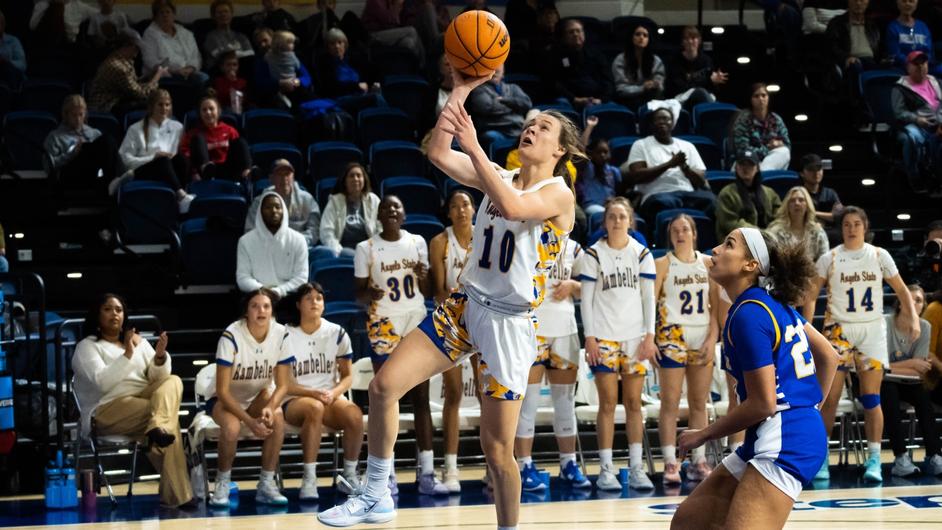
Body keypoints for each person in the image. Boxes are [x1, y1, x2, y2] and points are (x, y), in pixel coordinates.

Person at [317, 70, 579, 529]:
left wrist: (474, 146)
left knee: (498, 452)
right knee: (383, 387)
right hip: (466, 306)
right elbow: (437, 152)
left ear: (559, 150)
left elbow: (515, 207)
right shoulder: (499, 175)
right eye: (529, 124)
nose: (531, 129)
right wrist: (461, 89)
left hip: (510, 325)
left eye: (543, 128)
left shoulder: (558, 193)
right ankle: (376, 494)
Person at [670, 228, 839, 530]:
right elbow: (829, 356)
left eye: (728, 244)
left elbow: (763, 404)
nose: (716, 249)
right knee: (689, 523)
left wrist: (703, 434)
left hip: (786, 439)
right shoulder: (771, 305)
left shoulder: (749, 314)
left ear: (751, 265)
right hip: (772, 433)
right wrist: (811, 411)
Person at [804, 206, 921, 483]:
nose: (852, 228)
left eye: (857, 223)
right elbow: (810, 295)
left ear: (865, 227)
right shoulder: (830, 258)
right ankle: (822, 458)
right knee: (829, 398)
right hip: (838, 330)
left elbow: (902, 289)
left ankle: (875, 458)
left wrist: (914, 318)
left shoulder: (879, 255)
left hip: (871, 331)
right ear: (841, 228)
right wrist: (806, 329)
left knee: (871, 398)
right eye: (847, 224)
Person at [354, 194, 447, 496]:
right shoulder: (366, 248)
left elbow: (428, 290)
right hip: (383, 323)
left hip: (414, 320)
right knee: (385, 398)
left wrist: (424, 278)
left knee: (421, 398)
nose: (392, 210)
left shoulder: (417, 242)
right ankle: (386, 475)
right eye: (386, 207)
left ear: (404, 214)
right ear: (379, 216)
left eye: (397, 206)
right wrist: (370, 294)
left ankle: (427, 472)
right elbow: (358, 295)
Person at [71, 293, 195, 508]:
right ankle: (177, 495)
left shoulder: (139, 342)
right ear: (97, 315)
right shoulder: (87, 347)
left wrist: (159, 357)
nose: (114, 314)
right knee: (168, 420)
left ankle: (157, 427)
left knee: (173, 381)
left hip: (143, 400)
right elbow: (102, 383)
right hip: (106, 409)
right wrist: (127, 353)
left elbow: (157, 378)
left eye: (118, 310)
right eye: (107, 309)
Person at [579, 197, 657, 491]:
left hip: (635, 338)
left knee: (635, 403)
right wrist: (589, 338)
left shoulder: (642, 253)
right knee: (608, 403)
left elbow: (649, 298)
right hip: (604, 337)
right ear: (605, 222)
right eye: (611, 216)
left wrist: (649, 335)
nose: (616, 221)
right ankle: (606, 469)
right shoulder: (594, 254)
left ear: (630, 221)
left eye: (622, 216)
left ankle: (636, 467)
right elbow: (586, 299)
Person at [271, 282, 365, 500]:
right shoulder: (285, 334)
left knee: (354, 414)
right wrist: (313, 393)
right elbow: (284, 384)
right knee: (314, 408)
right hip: (294, 398)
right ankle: (309, 478)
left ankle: (349, 476)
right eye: (308, 298)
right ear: (298, 304)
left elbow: (348, 376)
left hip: (328, 396)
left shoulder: (337, 333)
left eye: (319, 298)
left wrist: (334, 393)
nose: (314, 302)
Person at [516, 235, 588, 491]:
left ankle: (568, 463)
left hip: (565, 330)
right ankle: (523, 465)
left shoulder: (574, 247)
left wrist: (573, 285)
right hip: (532, 329)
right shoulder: (527, 239)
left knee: (565, 402)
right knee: (528, 402)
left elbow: (592, 286)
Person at [207, 288, 291, 507]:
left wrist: (270, 406)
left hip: (257, 395)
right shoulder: (231, 335)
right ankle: (222, 483)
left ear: (272, 311)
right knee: (232, 427)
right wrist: (250, 421)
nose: (261, 311)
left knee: (277, 416)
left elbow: (283, 385)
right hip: (223, 400)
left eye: (266, 306)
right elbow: (222, 391)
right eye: (255, 306)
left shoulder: (281, 334)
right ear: (246, 311)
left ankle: (266, 483)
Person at [653, 214, 721, 485]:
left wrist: (712, 337)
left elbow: (716, 307)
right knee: (670, 402)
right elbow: (649, 304)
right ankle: (670, 461)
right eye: (675, 230)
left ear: (694, 233)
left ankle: (698, 460)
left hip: (701, 334)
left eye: (685, 229)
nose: (680, 234)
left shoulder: (708, 263)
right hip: (672, 334)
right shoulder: (662, 264)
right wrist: (650, 338)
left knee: (699, 402)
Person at [427, 189, 475, 493]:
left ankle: (494, 466)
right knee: (454, 393)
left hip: (483, 319)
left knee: (487, 394)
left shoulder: (484, 235)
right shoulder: (440, 242)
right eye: (455, 206)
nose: (461, 210)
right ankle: (451, 466)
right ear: (449, 213)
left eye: (466, 204)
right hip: (453, 321)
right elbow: (439, 290)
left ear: (473, 209)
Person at [880, 284, 942, 476]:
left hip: (909, 381)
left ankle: (934, 456)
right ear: (900, 302)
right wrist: (912, 362)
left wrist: (893, 366)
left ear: (923, 306)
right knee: (889, 393)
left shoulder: (925, 327)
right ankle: (901, 458)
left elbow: (920, 372)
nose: (914, 303)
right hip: (884, 382)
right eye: (910, 298)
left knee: (924, 400)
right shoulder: (885, 323)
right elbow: (879, 367)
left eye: (919, 301)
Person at [623, 107, 713, 225]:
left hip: (687, 193)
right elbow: (637, 176)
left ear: (672, 123)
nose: (662, 122)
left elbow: (701, 181)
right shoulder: (641, 145)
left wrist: (685, 168)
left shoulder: (688, 146)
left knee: (712, 201)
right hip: (657, 194)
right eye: (658, 119)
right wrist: (669, 164)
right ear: (652, 124)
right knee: (661, 203)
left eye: (666, 119)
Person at [117, 89, 195, 212]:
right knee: (163, 160)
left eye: (167, 105)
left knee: (181, 159)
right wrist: (153, 158)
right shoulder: (135, 129)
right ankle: (181, 196)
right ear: (151, 106)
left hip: (170, 172)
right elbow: (124, 159)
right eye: (160, 104)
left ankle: (180, 200)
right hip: (144, 172)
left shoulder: (178, 127)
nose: (164, 108)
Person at [236, 192, 309, 299]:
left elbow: (301, 278)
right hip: (257, 297)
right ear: (260, 212)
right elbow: (243, 278)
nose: (274, 211)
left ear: (283, 211)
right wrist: (263, 290)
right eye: (268, 208)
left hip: (289, 298)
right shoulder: (245, 241)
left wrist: (278, 291)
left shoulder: (298, 240)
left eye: (277, 207)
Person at [891, 50, 942, 194]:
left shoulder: (936, 82)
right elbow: (899, 113)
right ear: (908, 67)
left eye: (924, 63)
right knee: (912, 139)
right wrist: (917, 119)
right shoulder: (900, 87)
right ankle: (915, 177)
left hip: (938, 123)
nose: (921, 66)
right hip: (916, 124)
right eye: (916, 64)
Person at [44, 95, 117, 190]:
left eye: (81, 114)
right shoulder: (55, 137)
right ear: (66, 115)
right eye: (74, 115)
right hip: (70, 175)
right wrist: (71, 154)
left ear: (85, 114)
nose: (78, 119)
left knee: (108, 140)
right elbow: (48, 166)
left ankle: (113, 182)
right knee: (89, 147)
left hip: (94, 174)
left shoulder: (94, 133)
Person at [87, 29, 168, 114]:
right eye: (136, 47)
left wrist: (151, 75)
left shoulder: (124, 61)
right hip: (106, 106)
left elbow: (134, 84)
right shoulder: (118, 67)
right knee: (155, 103)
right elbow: (140, 94)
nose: (138, 51)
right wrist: (157, 77)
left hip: (118, 100)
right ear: (126, 46)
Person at [178, 93, 252, 182]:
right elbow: (185, 154)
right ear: (200, 114)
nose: (208, 112)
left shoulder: (229, 130)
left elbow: (238, 151)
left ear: (218, 111)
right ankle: (205, 168)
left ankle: (248, 173)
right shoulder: (193, 133)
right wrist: (194, 172)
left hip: (228, 169)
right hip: (205, 173)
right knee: (198, 138)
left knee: (240, 141)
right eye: (204, 110)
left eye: (211, 109)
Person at [246, 159, 320, 247]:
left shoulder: (307, 199)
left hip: (301, 246)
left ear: (293, 177)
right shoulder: (259, 202)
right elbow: (250, 231)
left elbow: (314, 230)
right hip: (269, 248)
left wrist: (297, 243)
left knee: (325, 252)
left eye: (287, 174)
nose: (284, 178)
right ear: (271, 178)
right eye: (279, 174)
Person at [544, 19, 613, 110]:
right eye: (571, 32)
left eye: (579, 31)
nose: (576, 34)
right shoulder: (555, 55)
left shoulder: (596, 54)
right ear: (564, 37)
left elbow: (607, 80)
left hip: (597, 99)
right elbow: (553, 82)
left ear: (584, 34)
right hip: (569, 100)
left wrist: (601, 99)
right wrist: (574, 99)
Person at [315, 28, 385, 117]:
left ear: (345, 44)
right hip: (340, 99)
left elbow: (375, 70)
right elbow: (331, 88)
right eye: (332, 44)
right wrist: (356, 86)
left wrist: (376, 83)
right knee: (376, 98)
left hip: (360, 95)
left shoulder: (353, 58)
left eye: (340, 42)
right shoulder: (325, 63)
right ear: (327, 47)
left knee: (378, 93)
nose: (337, 46)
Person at [714, 150, 782, 242]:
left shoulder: (769, 193)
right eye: (742, 164)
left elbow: (780, 216)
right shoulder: (727, 193)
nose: (745, 168)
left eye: (750, 165)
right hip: (737, 241)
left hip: (769, 239)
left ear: (757, 168)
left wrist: (772, 231)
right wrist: (760, 233)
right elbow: (729, 223)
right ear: (736, 167)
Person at [319, 163, 381, 257]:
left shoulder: (373, 200)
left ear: (364, 180)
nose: (355, 179)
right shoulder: (335, 202)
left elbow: (381, 228)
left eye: (359, 176)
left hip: (370, 251)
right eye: (351, 176)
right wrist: (338, 251)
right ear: (345, 181)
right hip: (343, 251)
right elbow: (326, 232)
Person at [466, 64, 533, 148]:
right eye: (493, 71)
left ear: (503, 72)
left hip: (518, 129)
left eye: (498, 71)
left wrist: (504, 100)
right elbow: (485, 107)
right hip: (497, 130)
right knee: (490, 136)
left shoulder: (513, 88)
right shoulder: (479, 90)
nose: (495, 72)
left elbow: (527, 104)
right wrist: (514, 106)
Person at [141, 1, 207, 86]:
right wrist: (175, 71)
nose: (165, 15)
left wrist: (190, 69)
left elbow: (196, 57)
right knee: (199, 80)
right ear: (155, 17)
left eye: (168, 12)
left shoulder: (185, 33)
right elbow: (150, 61)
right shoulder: (150, 34)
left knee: (203, 78)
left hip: (187, 73)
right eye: (161, 13)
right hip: (163, 75)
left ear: (173, 15)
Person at [731, 83, 792, 171]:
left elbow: (787, 145)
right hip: (749, 161)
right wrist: (767, 149)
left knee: (784, 152)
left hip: (771, 161)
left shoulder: (776, 119)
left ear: (768, 98)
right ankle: (760, 174)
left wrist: (779, 144)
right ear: (751, 99)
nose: (761, 99)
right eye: (756, 96)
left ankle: (760, 173)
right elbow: (742, 149)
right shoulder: (743, 120)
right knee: (747, 157)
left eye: (764, 95)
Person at [667, 26, 728, 110]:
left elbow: (711, 88)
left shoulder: (706, 60)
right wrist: (707, 81)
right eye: (686, 39)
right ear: (682, 42)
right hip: (682, 99)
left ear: (699, 40)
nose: (690, 41)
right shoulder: (675, 61)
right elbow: (679, 87)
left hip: (705, 98)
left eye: (693, 38)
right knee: (699, 92)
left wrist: (715, 81)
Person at [826, 0, 882, 87]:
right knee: (855, 67)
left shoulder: (872, 24)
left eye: (862, 0)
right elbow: (831, 47)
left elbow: (879, 47)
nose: (858, 3)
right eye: (855, 0)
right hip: (850, 61)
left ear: (867, 2)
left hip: (871, 61)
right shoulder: (837, 23)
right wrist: (846, 57)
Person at [767, 186, 830, 263]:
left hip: (813, 270)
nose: (797, 203)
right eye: (792, 200)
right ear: (787, 206)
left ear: (807, 205)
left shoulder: (817, 232)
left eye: (801, 200)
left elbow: (825, 261)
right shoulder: (775, 231)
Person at [612, 24, 665, 110]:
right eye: (637, 34)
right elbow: (621, 89)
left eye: (645, 35)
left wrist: (655, 84)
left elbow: (660, 85)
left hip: (651, 99)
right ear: (631, 38)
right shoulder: (620, 59)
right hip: (628, 100)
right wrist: (643, 88)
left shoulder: (656, 60)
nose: (641, 37)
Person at [260, 30, 315, 109]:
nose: (262, 45)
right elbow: (261, 84)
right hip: (275, 95)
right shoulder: (264, 61)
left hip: (296, 90)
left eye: (265, 40)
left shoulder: (292, 56)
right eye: (259, 43)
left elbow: (306, 77)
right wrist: (281, 83)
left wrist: (295, 82)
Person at [360, 0, 426, 67]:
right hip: (373, 35)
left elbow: (396, 24)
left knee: (408, 42)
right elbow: (388, 21)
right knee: (411, 30)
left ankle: (409, 67)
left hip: (387, 34)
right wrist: (397, 7)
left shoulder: (390, 2)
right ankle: (421, 64)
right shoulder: (375, 2)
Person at [886, 0, 942, 74]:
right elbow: (895, 54)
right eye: (904, 1)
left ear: (916, 4)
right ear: (898, 3)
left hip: (924, 66)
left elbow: (929, 52)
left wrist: (922, 63)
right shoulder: (893, 27)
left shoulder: (923, 27)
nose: (907, 4)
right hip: (902, 69)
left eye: (911, 1)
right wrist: (913, 63)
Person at [203, 0, 254, 72]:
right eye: (219, 12)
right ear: (213, 16)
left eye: (226, 11)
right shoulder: (211, 37)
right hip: (220, 72)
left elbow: (251, 53)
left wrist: (232, 53)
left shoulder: (241, 36)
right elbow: (222, 56)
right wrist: (241, 53)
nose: (223, 14)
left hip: (242, 70)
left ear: (231, 14)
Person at [576, 138, 622, 216]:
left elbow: (618, 192)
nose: (602, 155)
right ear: (591, 154)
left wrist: (613, 200)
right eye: (598, 152)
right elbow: (580, 149)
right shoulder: (588, 168)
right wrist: (589, 129)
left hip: (610, 205)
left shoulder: (614, 171)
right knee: (607, 214)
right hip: (591, 205)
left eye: (605, 152)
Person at [797, 153, 843, 229]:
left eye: (819, 168)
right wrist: (828, 216)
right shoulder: (797, 194)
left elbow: (838, 216)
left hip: (830, 232)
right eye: (811, 169)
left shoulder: (830, 193)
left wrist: (812, 212)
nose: (816, 172)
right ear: (802, 173)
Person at [29, 0, 97, 43]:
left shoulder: (78, 5)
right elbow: (32, 25)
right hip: (43, 42)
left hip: (67, 45)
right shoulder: (43, 4)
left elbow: (96, 14)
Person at [0, 9, 27, 88]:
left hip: (9, 80)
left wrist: (7, 62)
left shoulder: (13, 41)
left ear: (3, 25)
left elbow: (23, 65)